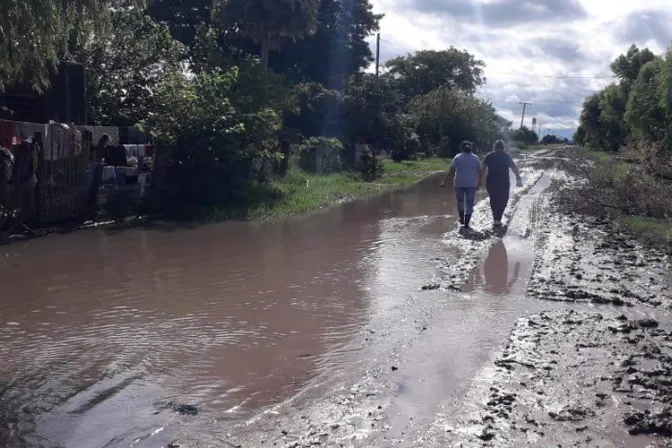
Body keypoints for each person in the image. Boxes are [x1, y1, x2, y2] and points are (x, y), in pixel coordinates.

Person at [440, 140, 482, 229]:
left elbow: (451, 171)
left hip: (459, 183)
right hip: (471, 183)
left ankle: (462, 219)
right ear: (471, 150)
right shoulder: (475, 158)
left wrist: (444, 181)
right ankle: (467, 222)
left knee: (460, 201)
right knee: (470, 203)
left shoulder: (458, 157)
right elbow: (480, 171)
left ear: (462, 149)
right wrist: (479, 182)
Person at [481, 140, 523, 227]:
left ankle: (495, 218)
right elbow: (514, 168)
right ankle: (498, 219)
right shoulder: (506, 156)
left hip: (491, 182)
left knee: (493, 199)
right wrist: (518, 177)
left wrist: (480, 180)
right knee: (503, 200)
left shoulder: (489, 156)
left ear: (495, 147)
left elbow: (483, 169)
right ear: (503, 147)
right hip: (503, 182)